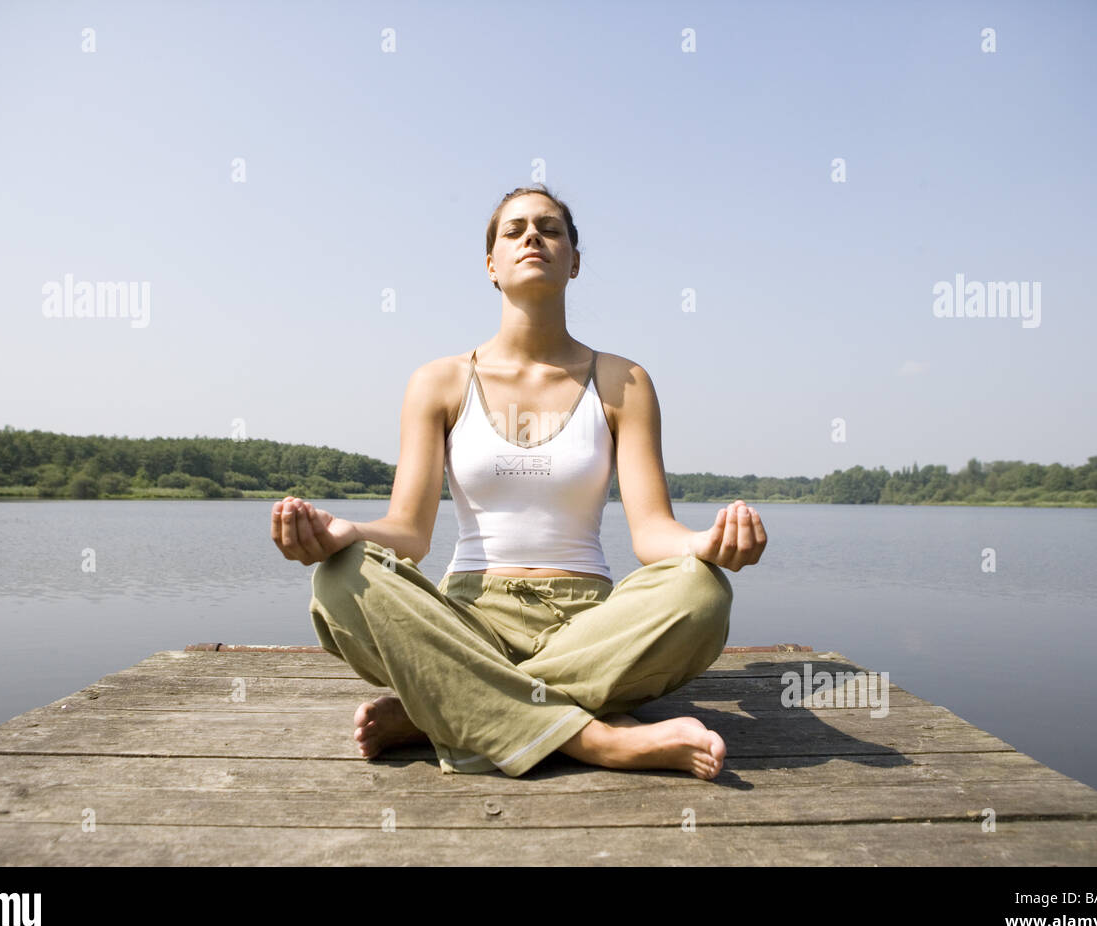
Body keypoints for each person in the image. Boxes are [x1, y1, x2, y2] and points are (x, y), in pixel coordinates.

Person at [271, 184, 766, 780]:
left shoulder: (623, 380)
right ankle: (599, 740)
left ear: (575, 261)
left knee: (703, 593)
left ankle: (441, 711)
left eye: (550, 228)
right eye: (515, 230)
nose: (533, 236)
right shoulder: (439, 381)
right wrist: (345, 531)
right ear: (491, 266)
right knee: (342, 577)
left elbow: (653, 533)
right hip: (470, 618)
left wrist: (704, 546)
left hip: (590, 625)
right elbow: (407, 533)